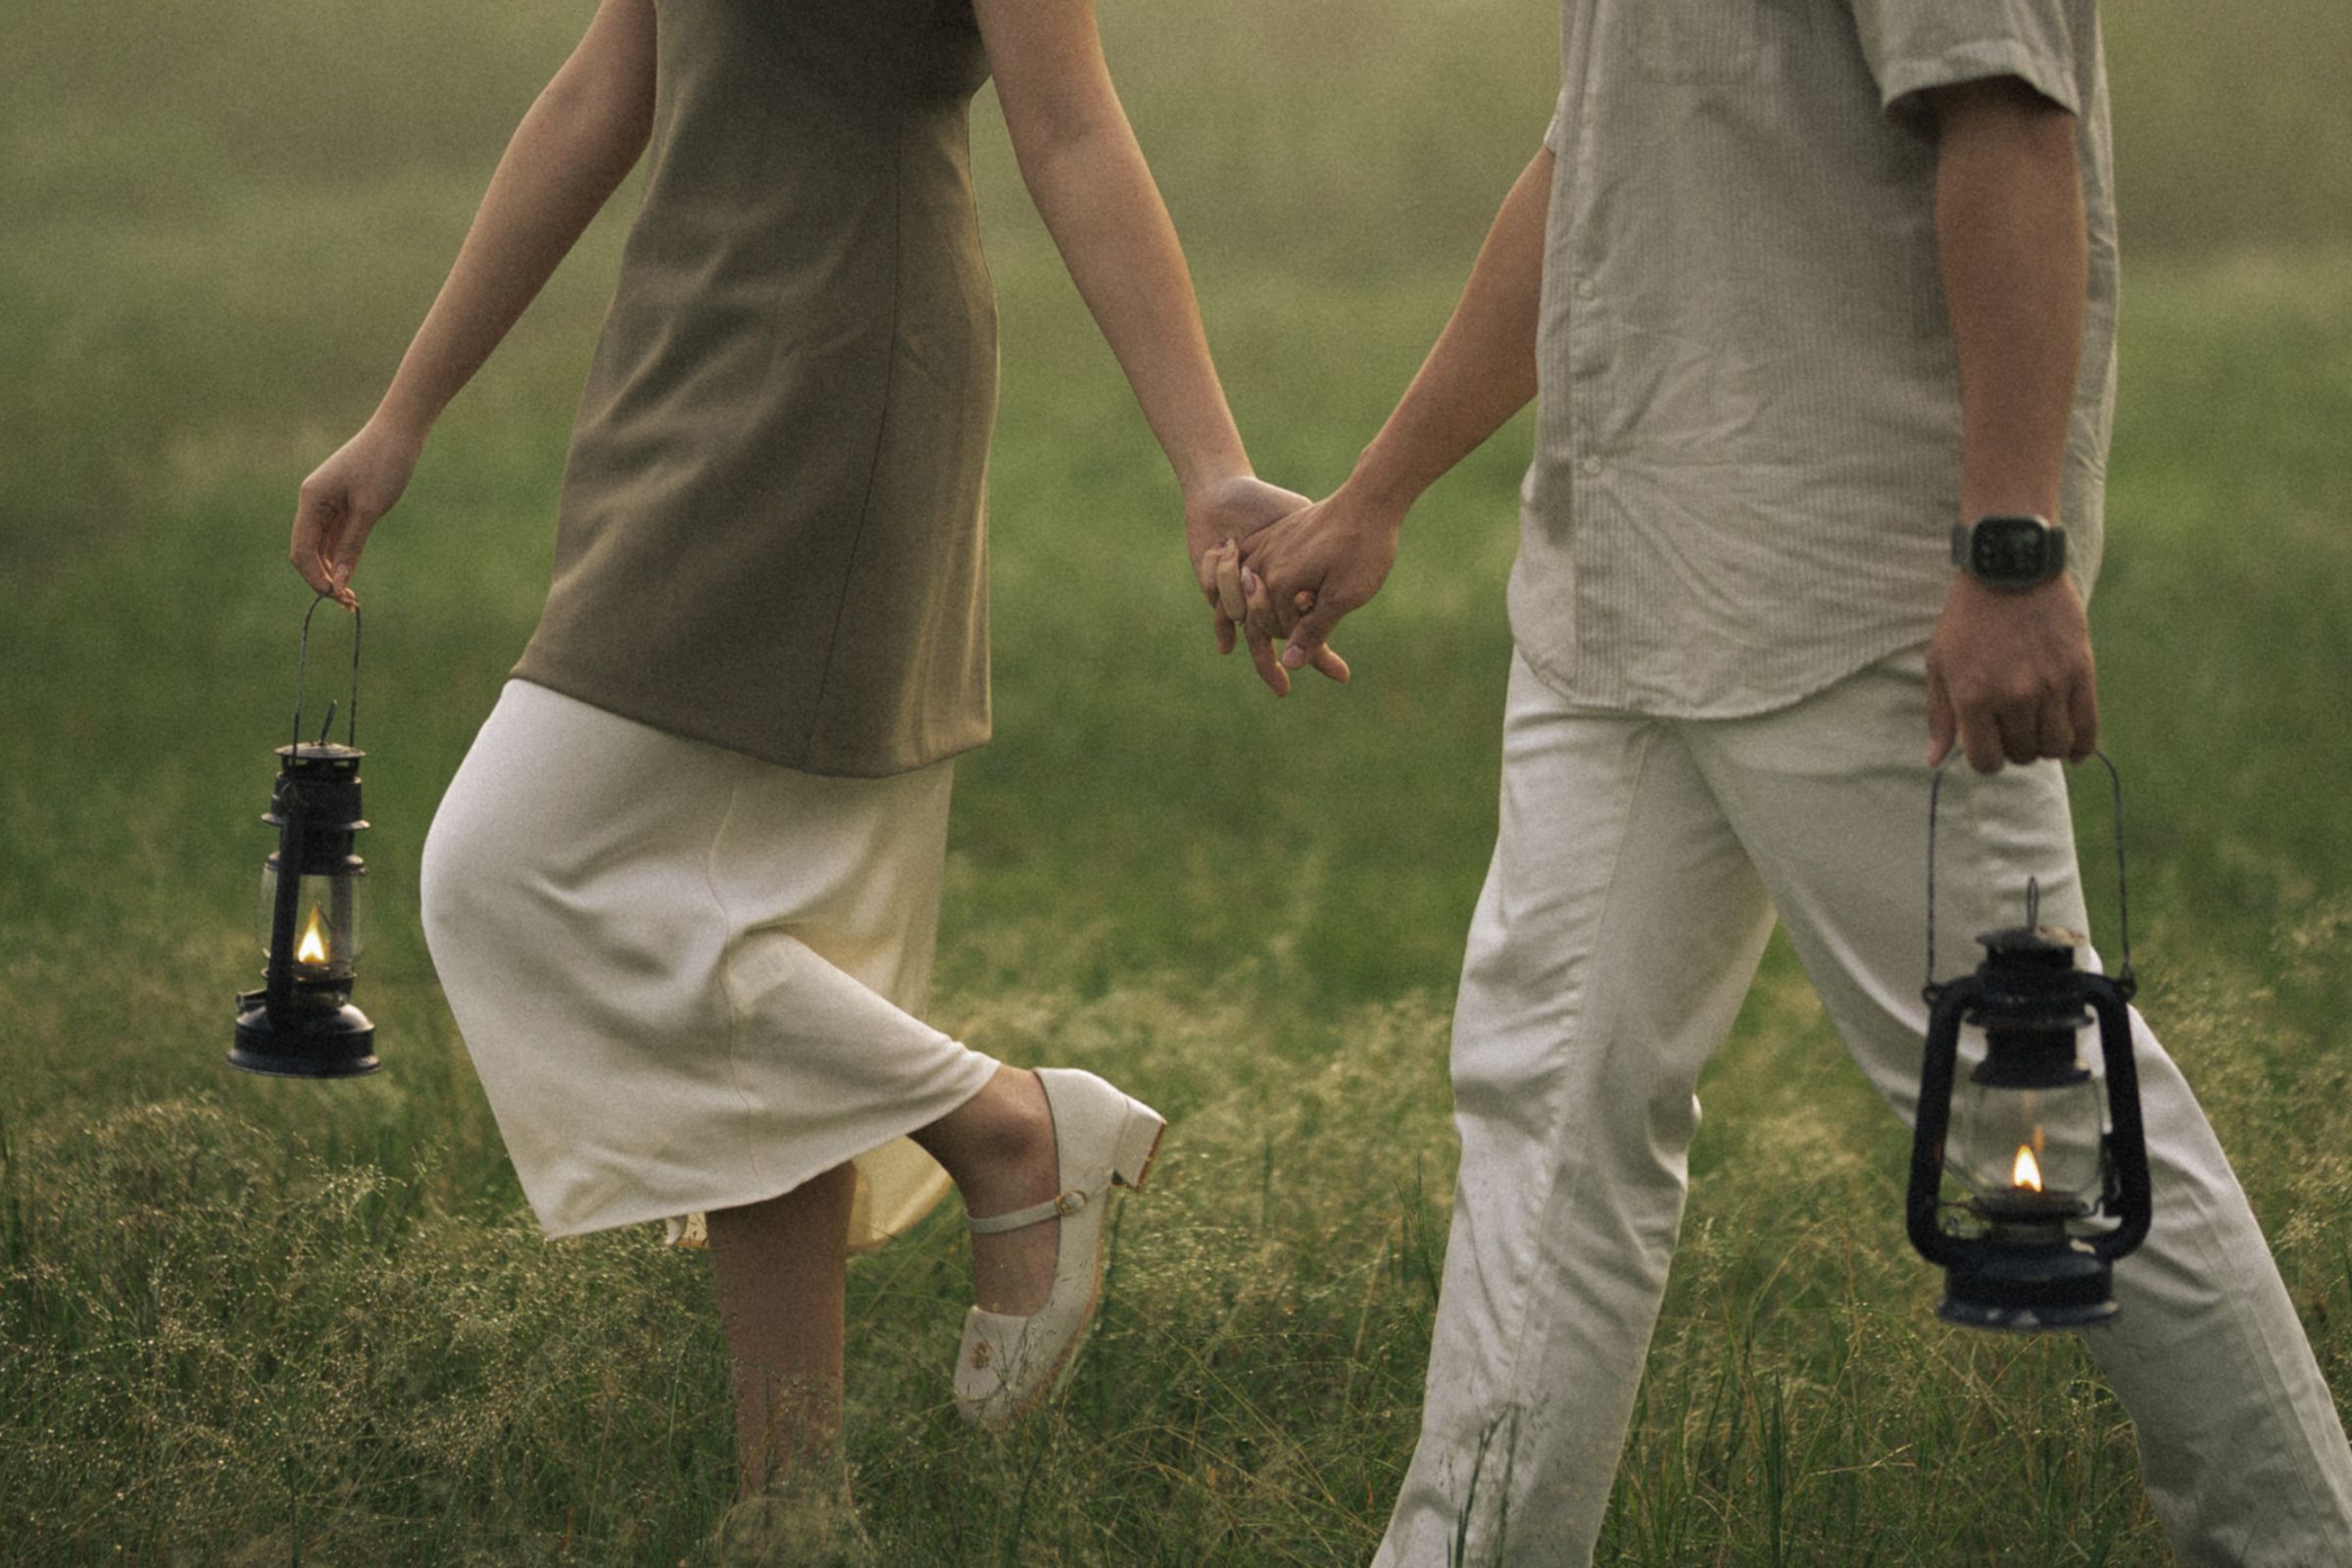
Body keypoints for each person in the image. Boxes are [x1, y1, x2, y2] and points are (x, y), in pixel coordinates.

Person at [1235, 2, 2352, 1563]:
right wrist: (1379, 491)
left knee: (2029, 1115)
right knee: (1551, 1107)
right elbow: (1596, 163)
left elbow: (2010, 122)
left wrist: (2012, 554)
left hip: (1856, 587)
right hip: (1618, 583)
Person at [285, 0, 1338, 1551]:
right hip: (679, 350)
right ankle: (795, 1511)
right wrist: (403, 413)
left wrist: (1208, 464)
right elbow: (604, 84)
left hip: (844, 363)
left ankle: (1005, 1129)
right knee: (753, 943)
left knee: (501, 865)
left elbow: (1071, 127)